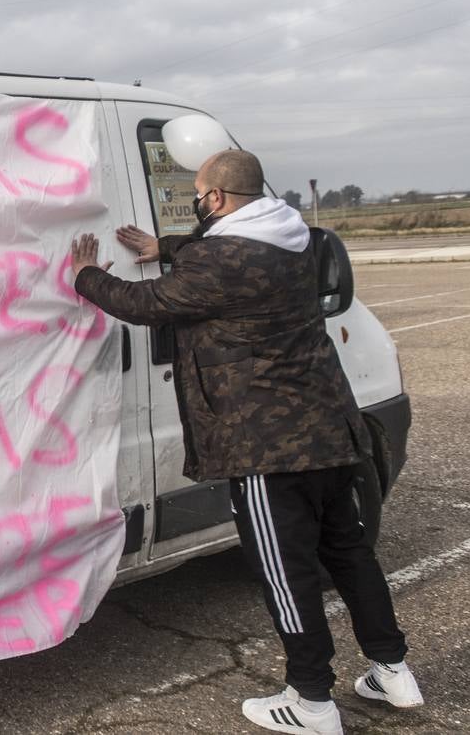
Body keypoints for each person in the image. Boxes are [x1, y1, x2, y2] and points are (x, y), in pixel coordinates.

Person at [70, 149, 422, 735]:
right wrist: (174, 246)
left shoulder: (219, 260)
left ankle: (311, 701)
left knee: (285, 573)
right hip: (330, 433)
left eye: (200, 196)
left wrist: (86, 275)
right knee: (350, 554)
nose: (198, 206)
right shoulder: (295, 241)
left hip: (266, 446)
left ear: (215, 201)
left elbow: (146, 304)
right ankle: (392, 667)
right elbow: (233, 256)